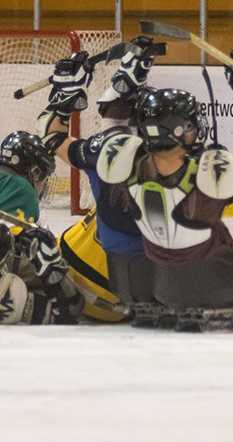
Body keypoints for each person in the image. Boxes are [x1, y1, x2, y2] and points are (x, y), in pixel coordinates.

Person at [41, 48, 233, 310]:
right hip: (190, 280)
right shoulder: (206, 173)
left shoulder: (116, 159)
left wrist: (64, 96)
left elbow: (57, 137)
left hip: (121, 280)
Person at [36, 36, 159, 318]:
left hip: (74, 279)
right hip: (135, 294)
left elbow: (53, 137)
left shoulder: (102, 152)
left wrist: (64, 99)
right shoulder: (177, 159)